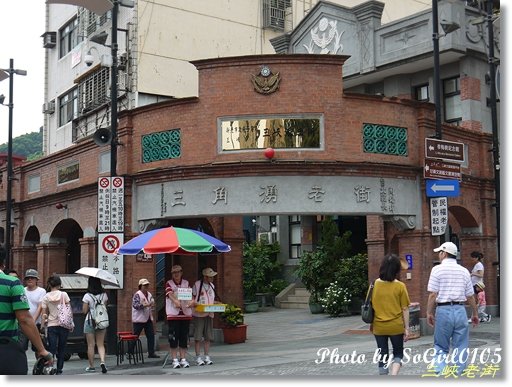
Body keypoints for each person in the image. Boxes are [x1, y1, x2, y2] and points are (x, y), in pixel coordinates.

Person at [427, 242, 479, 376]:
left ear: (444, 253)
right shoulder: (464, 271)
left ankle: (441, 372)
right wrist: (475, 313)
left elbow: (433, 294)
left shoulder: (437, 270)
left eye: (439, 252)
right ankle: (458, 374)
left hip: (443, 310)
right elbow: (470, 296)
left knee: (440, 346)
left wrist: (428, 313)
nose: (439, 255)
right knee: (461, 346)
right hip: (461, 310)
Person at [0, 255, 53, 375]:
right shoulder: (12, 283)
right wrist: (42, 350)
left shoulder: (40, 291)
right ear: (3, 264)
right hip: (5, 349)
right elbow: (24, 319)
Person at [370, 254, 410, 375]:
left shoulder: (374, 285)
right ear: (397, 270)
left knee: (382, 353)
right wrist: (407, 328)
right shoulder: (400, 286)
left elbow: (371, 306)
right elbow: (405, 308)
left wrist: (372, 324)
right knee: (398, 352)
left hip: (379, 326)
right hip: (396, 326)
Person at [41, 274, 72, 375]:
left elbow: (44, 314)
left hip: (51, 325)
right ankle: (59, 369)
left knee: (52, 348)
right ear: (59, 284)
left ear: (49, 284)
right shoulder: (64, 295)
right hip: (63, 324)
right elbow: (69, 310)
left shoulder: (46, 297)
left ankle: (50, 367)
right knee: (62, 348)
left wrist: (42, 326)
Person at [165, 265, 193, 368]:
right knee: (173, 337)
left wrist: (191, 302)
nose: (176, 274)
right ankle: (174, 359)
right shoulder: (169, 283)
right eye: (174, 272)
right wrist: (175, 301)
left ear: (181, 272)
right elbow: (169, 294)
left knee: (183, 337)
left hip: (185, 314)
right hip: (173, 314)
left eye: (178, 272)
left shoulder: (186, 283)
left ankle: (183, 358)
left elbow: (190, 296)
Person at [190, 267, 218, 366]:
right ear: (205, 277)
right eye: (210, 276)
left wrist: (216, 303)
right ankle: (198, 357)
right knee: (198, 337)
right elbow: (192, 298)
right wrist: (195, 304)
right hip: (199, 314)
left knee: (208, 336)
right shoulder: (197, 285)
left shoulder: (212, 286)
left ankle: (207, 356)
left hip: (209, 313)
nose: (212, 278)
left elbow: (211, 299)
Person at [82, 276, 109, 373]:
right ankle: (102, 362)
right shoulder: (104, 295)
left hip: (90, 321)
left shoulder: (87, 296)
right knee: (101, 344)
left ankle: (91, 366)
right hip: (101, 321)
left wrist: (90, 307)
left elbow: (84, 311)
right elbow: (104, 308)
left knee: (91, 345)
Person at [19, 269, 47, 354]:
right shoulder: (22, 290)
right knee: (21, 347)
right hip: (23, 323)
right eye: (28, 278)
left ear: (36, 280)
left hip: (36, 324)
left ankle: (39, 366)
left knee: (38, 349)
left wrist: (33, 320)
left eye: (32, 278)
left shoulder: (41, 291)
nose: (30, 279)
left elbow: (40, 307)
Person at [132, 278, 160, 358]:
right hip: (139, 319)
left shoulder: (149, 294)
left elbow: (152, 304)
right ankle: (130, 352)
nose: (146, 286)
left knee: (151, 335)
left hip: (148, 318)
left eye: (147, 285)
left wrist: (152, 306)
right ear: (140, 286)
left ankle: (151, 353)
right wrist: (144, 305)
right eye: (144, 285)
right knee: (135, 336)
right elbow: (135, 305)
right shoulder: (137, 294)